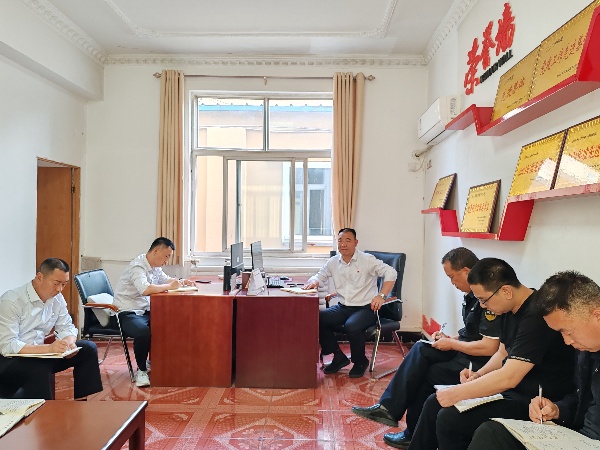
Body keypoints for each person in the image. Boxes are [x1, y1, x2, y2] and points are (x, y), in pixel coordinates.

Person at [406, 258, 577, 450]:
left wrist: (456, 393)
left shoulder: (536, 316)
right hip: (512, 392)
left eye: (483, 300)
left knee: (450, 418)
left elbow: (509, 377)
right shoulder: (509, 309)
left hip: (534, 402)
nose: (482, 306)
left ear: (506, 291)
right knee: (434, 403)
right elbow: (502, 353)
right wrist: (479, 375)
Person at [351, 247, 501, 449]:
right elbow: (471, 333)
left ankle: (403, 424)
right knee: (421, 350)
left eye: (452, 277)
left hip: (475, 362)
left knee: (425, 370)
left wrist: (452, 344)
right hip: (464, 351)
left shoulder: (487, 298)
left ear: (466, 271)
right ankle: (394, 416)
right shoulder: (472, 296)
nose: (452, 283)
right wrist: (449, 339)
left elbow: (490, 347)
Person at [468, 270, 600, 448]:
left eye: (568, 332)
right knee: (492, 433)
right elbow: (582, 399)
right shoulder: (586, 351)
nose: (567, 341)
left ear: (597, 315)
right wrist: (556, 409)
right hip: (578, 437)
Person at [0, 258, 103, 400]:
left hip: (41, 354)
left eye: (64, 284)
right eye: (56, 283)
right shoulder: (11, 301)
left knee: (88, 348)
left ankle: (81, 403)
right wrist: (48, 349)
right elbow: (8, 345)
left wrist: (68, 343)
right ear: (39, 277)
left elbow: (67, 326)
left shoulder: (57, 298)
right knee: (39, 367)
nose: (59, 289)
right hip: (12, 359)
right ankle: (45, 411)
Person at [303, 228, 397, 378]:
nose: (343, 244)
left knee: (352, 326)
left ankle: (360, 361)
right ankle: (338, 357)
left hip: (366, 309)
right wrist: (314, 281)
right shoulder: (334, 262)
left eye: (348, 240)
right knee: (318, 318)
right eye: (340, 240)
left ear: (355, 242)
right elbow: (320, 275)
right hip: (344, 307)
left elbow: (391, 272)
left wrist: (382, 295)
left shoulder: (367, 260)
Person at [113, 237, 194, 387]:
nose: (167, 261)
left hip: (145, 310)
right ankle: (141, 370)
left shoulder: (155, 266)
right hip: (128, 312)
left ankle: (157, 361)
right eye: (166, 256)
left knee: (170, 321)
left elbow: (165, 279)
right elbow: (145, 289)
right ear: (156, 251)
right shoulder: (137, 267)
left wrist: (181, 282)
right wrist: (170, 287)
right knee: (143, 331)